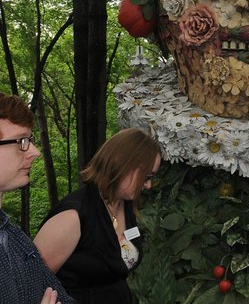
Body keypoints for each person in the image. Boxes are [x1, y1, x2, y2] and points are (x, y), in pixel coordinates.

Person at [34, 129, 161, 303]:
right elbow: (30, 282)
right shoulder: (72, 217)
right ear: (121, 165)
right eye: (146, 176)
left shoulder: (126, 204)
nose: (148, 185)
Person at [0, 92, 75, 304]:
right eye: (21, 141)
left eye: (29, 140)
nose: (35, 151)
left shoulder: (16, 238)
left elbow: (61, 296)